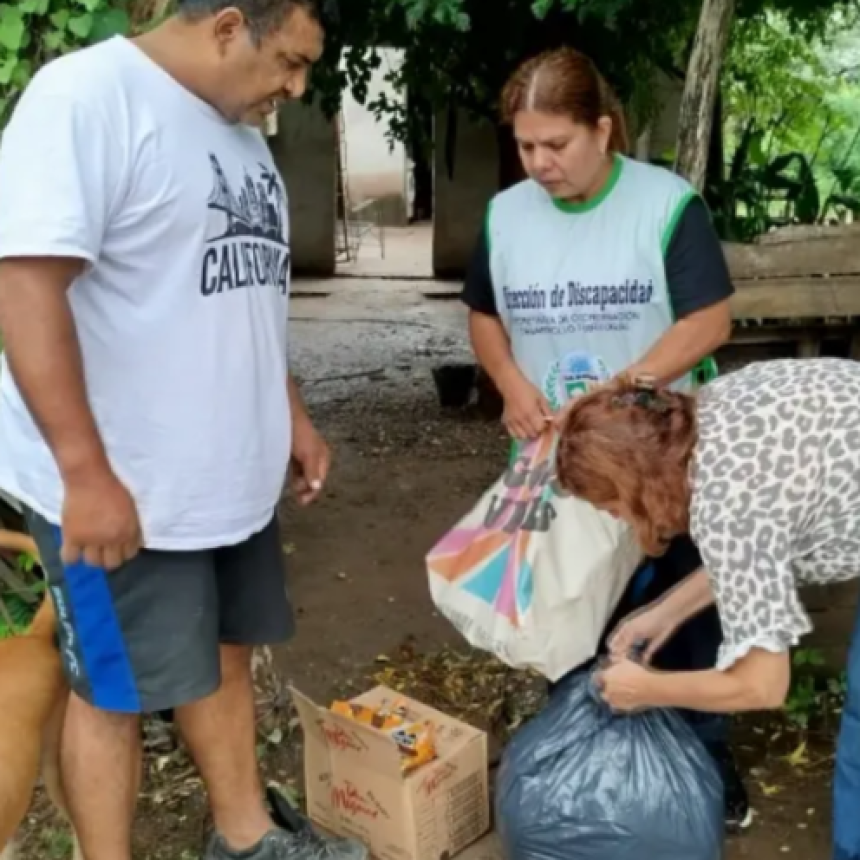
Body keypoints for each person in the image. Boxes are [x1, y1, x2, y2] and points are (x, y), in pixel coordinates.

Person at [0, 3, 368, 860]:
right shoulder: (87, 99)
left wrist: (289, 415)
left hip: (222, 484)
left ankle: (246, 839)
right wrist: (85, 476)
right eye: (290, 61)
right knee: (113, 693)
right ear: (229, 26)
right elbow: (24, 288)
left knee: (226, 652)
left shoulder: (239, 135)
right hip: (119, 490)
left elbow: (243, 296)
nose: (297, 86)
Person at [459, 46, 749, 827]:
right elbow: (483, 316)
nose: (539, 163)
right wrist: (510, 383)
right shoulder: (506, 215)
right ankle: (582, 765)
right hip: (561, 466)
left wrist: (622, 390)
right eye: (526, 146)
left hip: (664, 460)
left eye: (556, 144)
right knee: (575, 609)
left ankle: (705, 763)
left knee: (688, 611)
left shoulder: (666, 205)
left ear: (603, 130)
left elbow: (709, 321)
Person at [555, 359, 860, 860]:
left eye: (612, 508)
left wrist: (647, 690)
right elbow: (756, 546)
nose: (618, 521)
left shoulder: (727, 503)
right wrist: (666, 611)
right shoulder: (701, 414)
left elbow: (762, 685)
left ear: (637, 487)